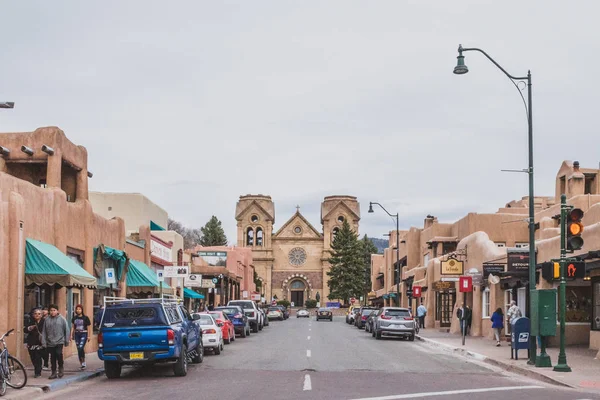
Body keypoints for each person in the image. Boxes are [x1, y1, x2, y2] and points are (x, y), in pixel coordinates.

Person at [42, 304, 70, 379]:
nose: (52, 312)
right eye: (51, 310)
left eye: (54, 310)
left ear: (57, 311)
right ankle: (53, 372)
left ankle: (61, 367)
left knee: (59, 353)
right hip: (50, 342)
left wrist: (66, 340)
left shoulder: (62, 319)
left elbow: (66, 330)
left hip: (59, 341)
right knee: (53, 357)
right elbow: (44, 331)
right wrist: (44, 341)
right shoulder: (47, 320)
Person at [26, 308, 45, 378]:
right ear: (33, 315)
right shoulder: (31, 321)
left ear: (41, 315)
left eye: (39, 314)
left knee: (38, 357)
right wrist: (29, 328)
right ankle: (37, 368)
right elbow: (25, 329)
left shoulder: (44, 322)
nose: (37, 315)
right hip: (31, 342)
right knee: (33, 357)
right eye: (35, 314)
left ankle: (38, 372)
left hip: (40, 343)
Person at [71, 304, 91, 370]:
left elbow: (88, 327)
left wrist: (88, 336)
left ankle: (84, 361)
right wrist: (71, 335)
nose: (78, 310)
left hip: (84, 334)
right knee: (78, 349)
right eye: (77, 309)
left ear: (82, 310)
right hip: (77, 334)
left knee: (80, 347)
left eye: (79, 309)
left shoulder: (85, 318)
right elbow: (73, 327)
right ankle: (81, 363)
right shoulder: (74, 318)